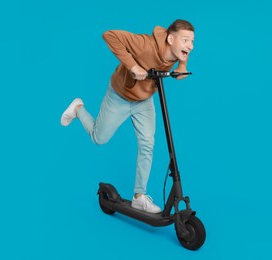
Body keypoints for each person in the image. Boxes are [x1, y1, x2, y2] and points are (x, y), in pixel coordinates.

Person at [60, 19, 195, 213]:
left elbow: (183, 52)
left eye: (192, 41)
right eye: (186, 40)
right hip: (120, 96)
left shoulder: (176, 48)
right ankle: (78, 108)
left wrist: (182, 65)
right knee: (99, 138)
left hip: (144, 100)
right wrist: (132, 66)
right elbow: (109, 35)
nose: (190, 46)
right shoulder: (144, 44)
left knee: (147, 144)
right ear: (171, 39)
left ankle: (139, 197)